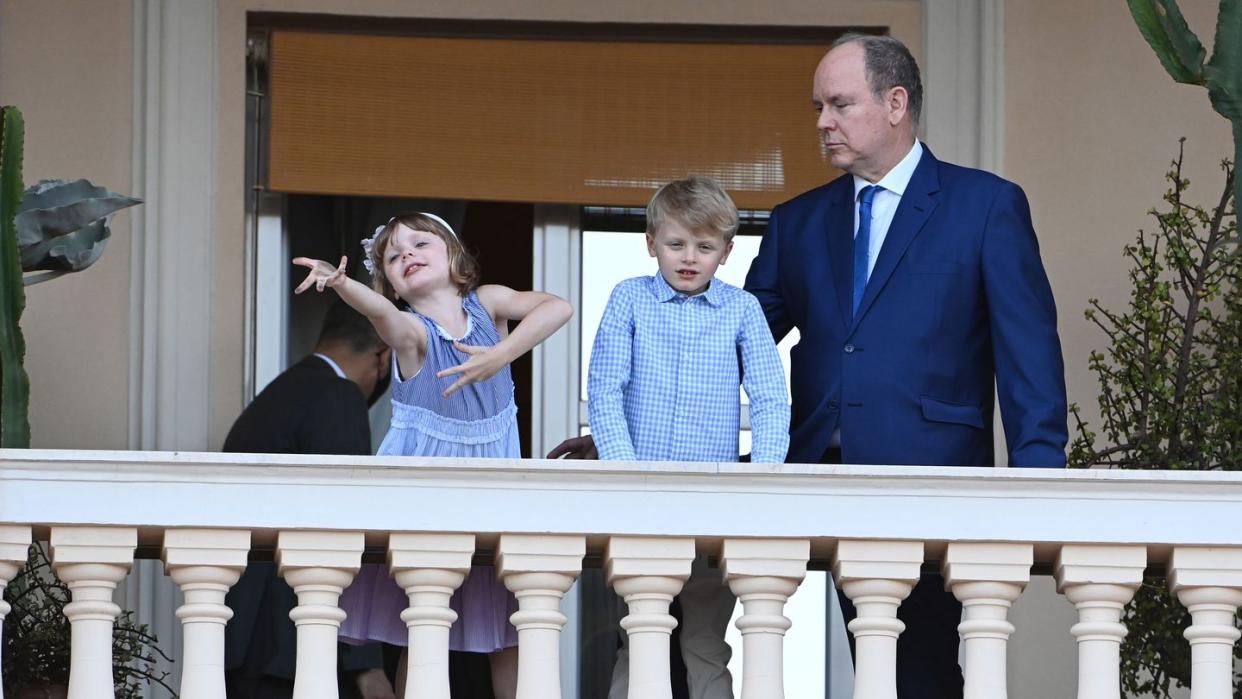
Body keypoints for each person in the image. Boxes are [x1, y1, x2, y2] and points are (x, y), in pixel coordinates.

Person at [551, 33, 1068, 699]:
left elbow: (1028, 352)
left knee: (921, 672)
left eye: (839, 104)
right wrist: (631, 428)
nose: (822, 121)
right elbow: (724, 335)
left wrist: (1041, 480)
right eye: (817, 106)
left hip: (932, 477)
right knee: (738, 637)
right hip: (807, 477)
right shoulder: (799, 221)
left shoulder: (986, 205)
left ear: (894, 103)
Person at [293, 212, 573, 699]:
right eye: (395, 256)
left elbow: (558, 308)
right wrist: (342, 285)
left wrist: (502, 353)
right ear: (392, 283)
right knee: (424, 629)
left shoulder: (489, 305)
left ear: (453, 255)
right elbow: (381, 314)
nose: (407, 256)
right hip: (425, 510)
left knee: (509, 634)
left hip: (492, 503)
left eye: (419, 244)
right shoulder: (413, 334)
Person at [589, 176, 789, 699]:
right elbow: (606, 390)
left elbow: (770, 396)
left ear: (726, 252)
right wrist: (625, 471)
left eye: (704, 247)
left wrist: (762, 476)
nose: (688, 258)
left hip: (713, 498)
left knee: (705, 641)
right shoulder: (629, 299)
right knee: (640, 635)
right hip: (641, 494)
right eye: (676, 244)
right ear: (651, 242)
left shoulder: (742, 309)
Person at [223, 298, 396, 699]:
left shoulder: (281, 394)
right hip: (292, 645)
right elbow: (342, 525)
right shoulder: (338, 396)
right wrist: (366, 661)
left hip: (248, 639)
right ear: (382, 356)